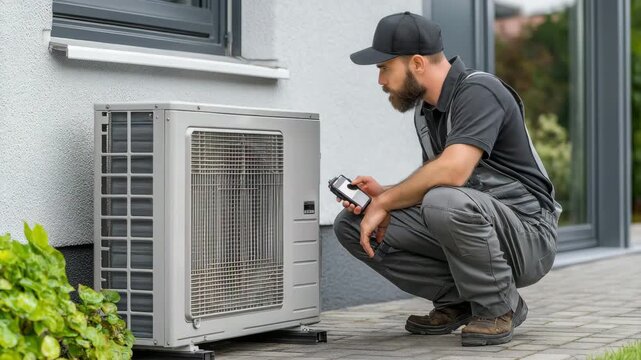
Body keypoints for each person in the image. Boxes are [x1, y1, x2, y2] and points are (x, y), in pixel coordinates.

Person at [333, 11, 562, 347]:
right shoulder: (427, 113)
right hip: (478, 220)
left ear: (416, 63)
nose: (380, 81)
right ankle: (458, 300)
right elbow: (439, 181)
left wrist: (387, 201)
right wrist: (383, 195)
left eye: (384, 68)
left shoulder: (480, 91)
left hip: (530, 234)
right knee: (350, 225)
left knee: (442, 201)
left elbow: (452, 173)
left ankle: (499, 307)